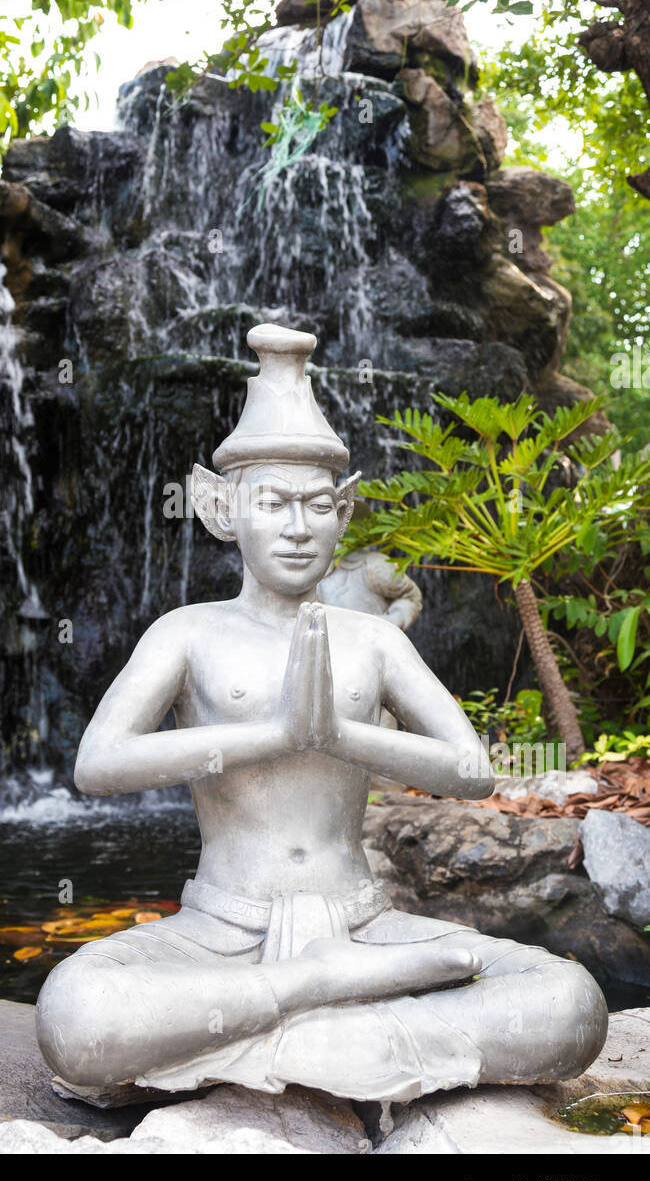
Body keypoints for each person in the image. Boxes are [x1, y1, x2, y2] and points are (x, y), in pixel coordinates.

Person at [36, 323, 607, 1103]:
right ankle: (322, 994)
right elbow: (97, 765)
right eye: (273, 503)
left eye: (316, 506)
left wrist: (346, 738)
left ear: (345, 511)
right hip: (219, 930)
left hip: (369, 923)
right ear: (220, 506)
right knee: (75, 1015)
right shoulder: (188, 632)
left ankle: (269, 1032)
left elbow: (472, 772)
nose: (298, 528)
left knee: (571, 1004)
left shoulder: (371, 639)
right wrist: (271, 735)